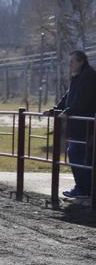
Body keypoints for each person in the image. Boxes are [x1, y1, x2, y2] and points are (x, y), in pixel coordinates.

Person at [44, 50, 96, 198]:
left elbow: (82, 100)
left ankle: (84, 189)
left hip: (85, 124)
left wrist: (68, 111)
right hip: (78, 124)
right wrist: (55, 110)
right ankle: (83, 188)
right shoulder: (79, 77)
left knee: (76, 153)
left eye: (72, 62)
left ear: (81, 61)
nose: (70, 65)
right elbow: (68, 96)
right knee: (77, 154)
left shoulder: (89, 76)